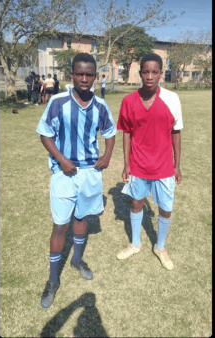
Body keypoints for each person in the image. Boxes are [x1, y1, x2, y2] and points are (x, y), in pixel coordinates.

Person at [36, 52, 116, 308]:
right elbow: (45, 134)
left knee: (81, 218)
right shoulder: (58, 102)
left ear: (95, 76)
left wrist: (107, 155)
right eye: (79, 73)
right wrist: (61, 159)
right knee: (60, 225)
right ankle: (52, 280)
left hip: (90, 173)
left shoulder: (101, 105)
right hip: (64, 173)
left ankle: (77, 260)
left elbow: (110, 133)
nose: (84, 78)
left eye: (89, 74)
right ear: (71, 75)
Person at [116, 53, 183, 270]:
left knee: (165, 209)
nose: (150, 76)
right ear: (140, 72)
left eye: (155, 72)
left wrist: (177, 165)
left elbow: (176, 132)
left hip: (164, 167)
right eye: (146, 71)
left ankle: (160, 246)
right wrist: (126, 163)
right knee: (136, 204)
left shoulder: (172, 99)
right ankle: (135, 244)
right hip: (138, 166)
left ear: (162, 73)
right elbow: (126, 132)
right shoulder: (128, 101)